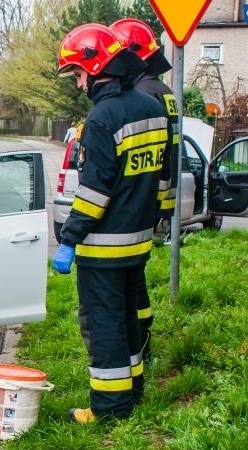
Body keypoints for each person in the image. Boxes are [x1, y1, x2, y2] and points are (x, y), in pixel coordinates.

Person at [52, 24, 171, 424]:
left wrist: (69, 238)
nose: (78, 83)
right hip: (138, 242)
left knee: (103, 326)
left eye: (78, 73)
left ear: (95, 66)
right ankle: (132, 390)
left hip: (103, 247)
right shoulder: (152, 108)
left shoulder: (102, 118)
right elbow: (161, 177)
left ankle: (108, 408)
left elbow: (94, 192)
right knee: (127, 320)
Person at [110, 18, 179, 366]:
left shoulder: (145, 94)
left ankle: (139, 343)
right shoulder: (163, 91)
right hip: (155, 200)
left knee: (131, 283)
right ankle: (139, 341)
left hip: (139, 204)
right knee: (136, 278)